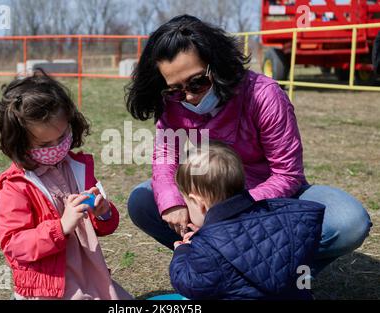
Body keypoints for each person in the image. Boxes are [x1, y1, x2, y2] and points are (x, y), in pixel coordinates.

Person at [126, 15, 372, 275]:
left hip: (270, 199)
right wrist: (172, 202)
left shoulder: (264, 95)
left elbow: (287, 175)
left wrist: (227, 214)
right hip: (212, 194)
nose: (188, 96)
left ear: (216, 64)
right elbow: (165, 155)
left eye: (197, 82)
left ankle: (279, 272)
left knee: (349, 221)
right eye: (174, 89)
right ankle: (215, 262)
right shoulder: (173, 104)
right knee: (143, 200)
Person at [0, 70, 132, 300]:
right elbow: (14, 245)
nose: (57, 147)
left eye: (62, 135)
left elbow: (103, 227)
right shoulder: (16, 186)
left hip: (89, 272)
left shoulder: (78, 167)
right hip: (48, 284)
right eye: (45, 143)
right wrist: (61, 226)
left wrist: (104, 213)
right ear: (18, 142)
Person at [170, 141, 324, 300]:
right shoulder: (284, 221)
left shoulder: (208, 249)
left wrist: (183, 251)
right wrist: (205, 236)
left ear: (199, 203)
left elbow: (190, 285)